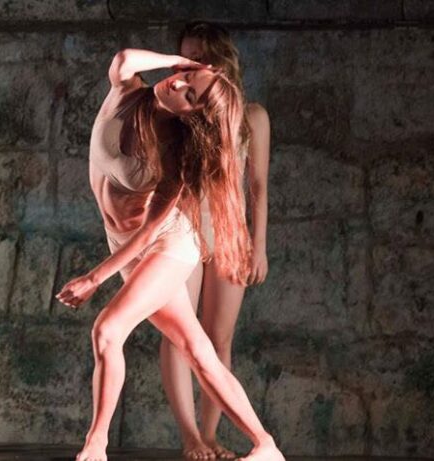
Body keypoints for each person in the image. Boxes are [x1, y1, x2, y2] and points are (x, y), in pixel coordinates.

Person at [56, 48, 283, 461]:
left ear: (191, 116)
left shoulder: (175, 158)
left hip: (165, 245)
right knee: (195, 348)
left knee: (108, 330)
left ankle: (95, 446)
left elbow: (148, 233)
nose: (176, 84)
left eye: (189, 94)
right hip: (121, 242)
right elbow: (124, 58)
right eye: (185, 77)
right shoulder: (128, 92)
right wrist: (180, 60)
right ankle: (266, 446)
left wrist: (94, 278)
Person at [160, 22, 272, 460]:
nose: (187, 69)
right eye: (182, 60)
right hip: (182, 231)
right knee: (178, 335)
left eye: (198, 60)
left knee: (218, 339)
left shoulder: (252, 116)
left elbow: (257, 187)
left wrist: (259, 245)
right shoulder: (177, 113)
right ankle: (190, 436)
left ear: (220, 62)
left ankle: (209, 435)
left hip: (229, 233)